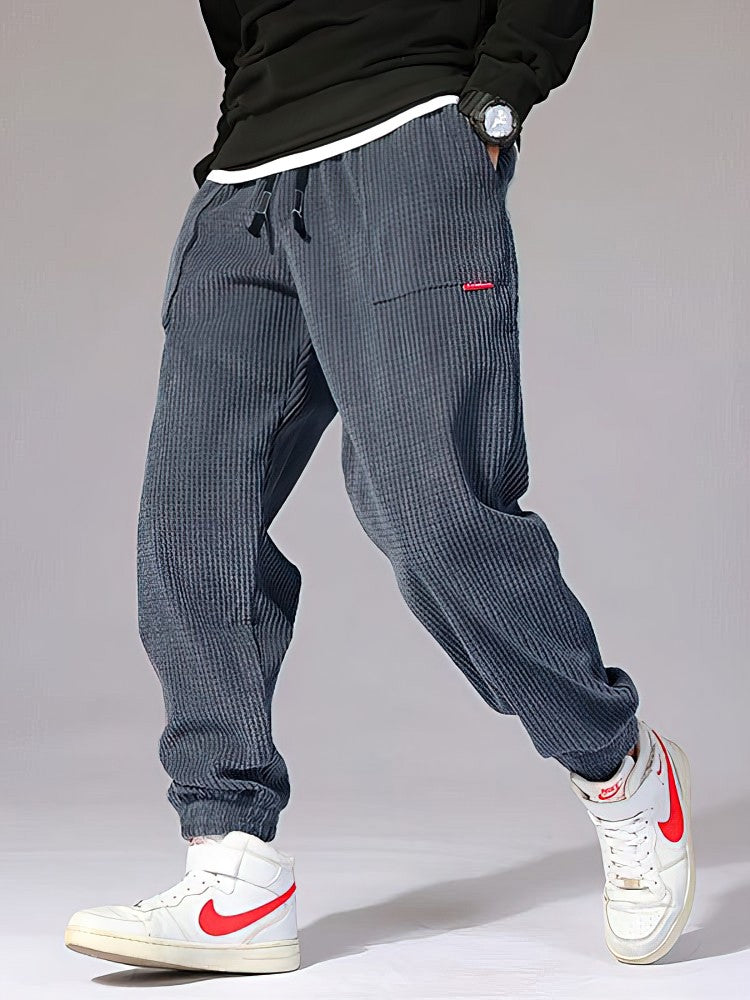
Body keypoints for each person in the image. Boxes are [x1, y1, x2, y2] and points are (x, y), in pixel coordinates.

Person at [64, 0, 694, 974]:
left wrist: (494, 107)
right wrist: (246, 128)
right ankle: (232, 863)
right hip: (246, 187)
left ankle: (620, 768)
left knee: (431, 514)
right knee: (190, 525)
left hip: (405, 141)